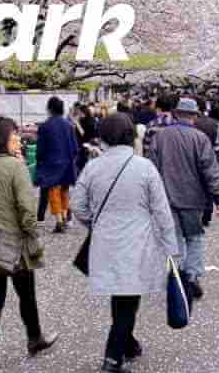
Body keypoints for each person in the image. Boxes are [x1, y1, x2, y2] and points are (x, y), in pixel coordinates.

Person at [71, 113, 178, 373]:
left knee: (121, 296)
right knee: (128, 298)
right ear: (131, 135)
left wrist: (95, 223)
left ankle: (128, 344)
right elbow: (162, 211)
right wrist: (171, 248)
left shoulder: (93, 167)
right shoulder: (144, 167)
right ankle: (112, 359)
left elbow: (78, 206)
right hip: (136, 241)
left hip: (104, 242)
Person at [0, 117, 59, 370]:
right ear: (3, 138)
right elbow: (26, 207)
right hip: (17, 242)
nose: (18, 138)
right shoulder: (16, 167)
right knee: (26, 295)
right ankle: (34, 339)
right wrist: (32, 233)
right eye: (14, 134)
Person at [147, 98, 219, 305]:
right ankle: (192, 276)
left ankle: (177, 274)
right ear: (193, 116)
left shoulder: (160, 137)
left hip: (166, 197)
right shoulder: (200, 138)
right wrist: (218, 197)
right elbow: (210, 170)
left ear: (175, 114)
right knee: (195, 237)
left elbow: (151, 169)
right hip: (193, 198)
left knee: (174, 238)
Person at [36, 96, 80, 233]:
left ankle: (59, 220)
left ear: (49, 109)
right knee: (65, 191)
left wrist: (40, 162)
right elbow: (74, 148)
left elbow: (41, 149)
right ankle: (65, 217)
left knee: (53, 192)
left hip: (51, 164)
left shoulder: (45, 126)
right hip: (67, 163)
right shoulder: (69, 126)